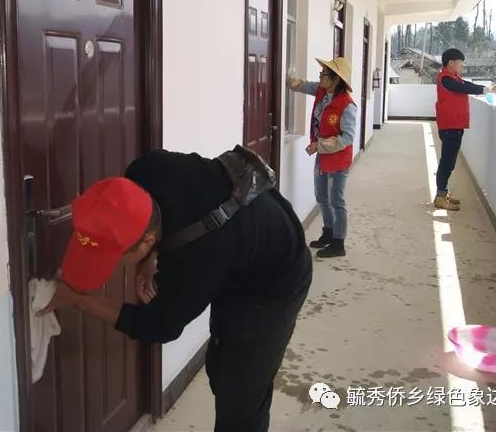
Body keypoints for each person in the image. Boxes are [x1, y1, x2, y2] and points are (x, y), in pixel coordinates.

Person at [42, 149, 312, 432]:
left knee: (239, 395)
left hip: (276, 281)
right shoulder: (144, 170)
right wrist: (149, 258)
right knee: (220, 367)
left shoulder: (198, 259)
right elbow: (175, 211)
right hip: (240, 249)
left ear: (147, 240)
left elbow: (160, 326)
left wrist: (80, 301)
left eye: (111, 259)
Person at [287, 57, 357, 258]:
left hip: (338, 160)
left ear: (335, 79)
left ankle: (338, 243)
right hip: (323, 157)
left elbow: (347, 138)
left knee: (336, 200)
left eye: (324, 74)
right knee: (321, 197)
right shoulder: (321, 91)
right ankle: (328, 233)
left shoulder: (347, 106)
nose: (320, 76)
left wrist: (319, 145)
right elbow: (300, 85)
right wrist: (283, 77)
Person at [433, 48, 496, 210]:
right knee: (447, 162)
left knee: (449, 162)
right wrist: (485, 90)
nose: (462, 66)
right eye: (461, 63)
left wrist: (486, 88)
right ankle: (440, 197)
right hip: (450, 126)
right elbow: (463, 88)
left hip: (454, 126)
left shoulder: (455, 78)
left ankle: (443, 194)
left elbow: (466, 85)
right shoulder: (445, 79)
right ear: (451, 63)